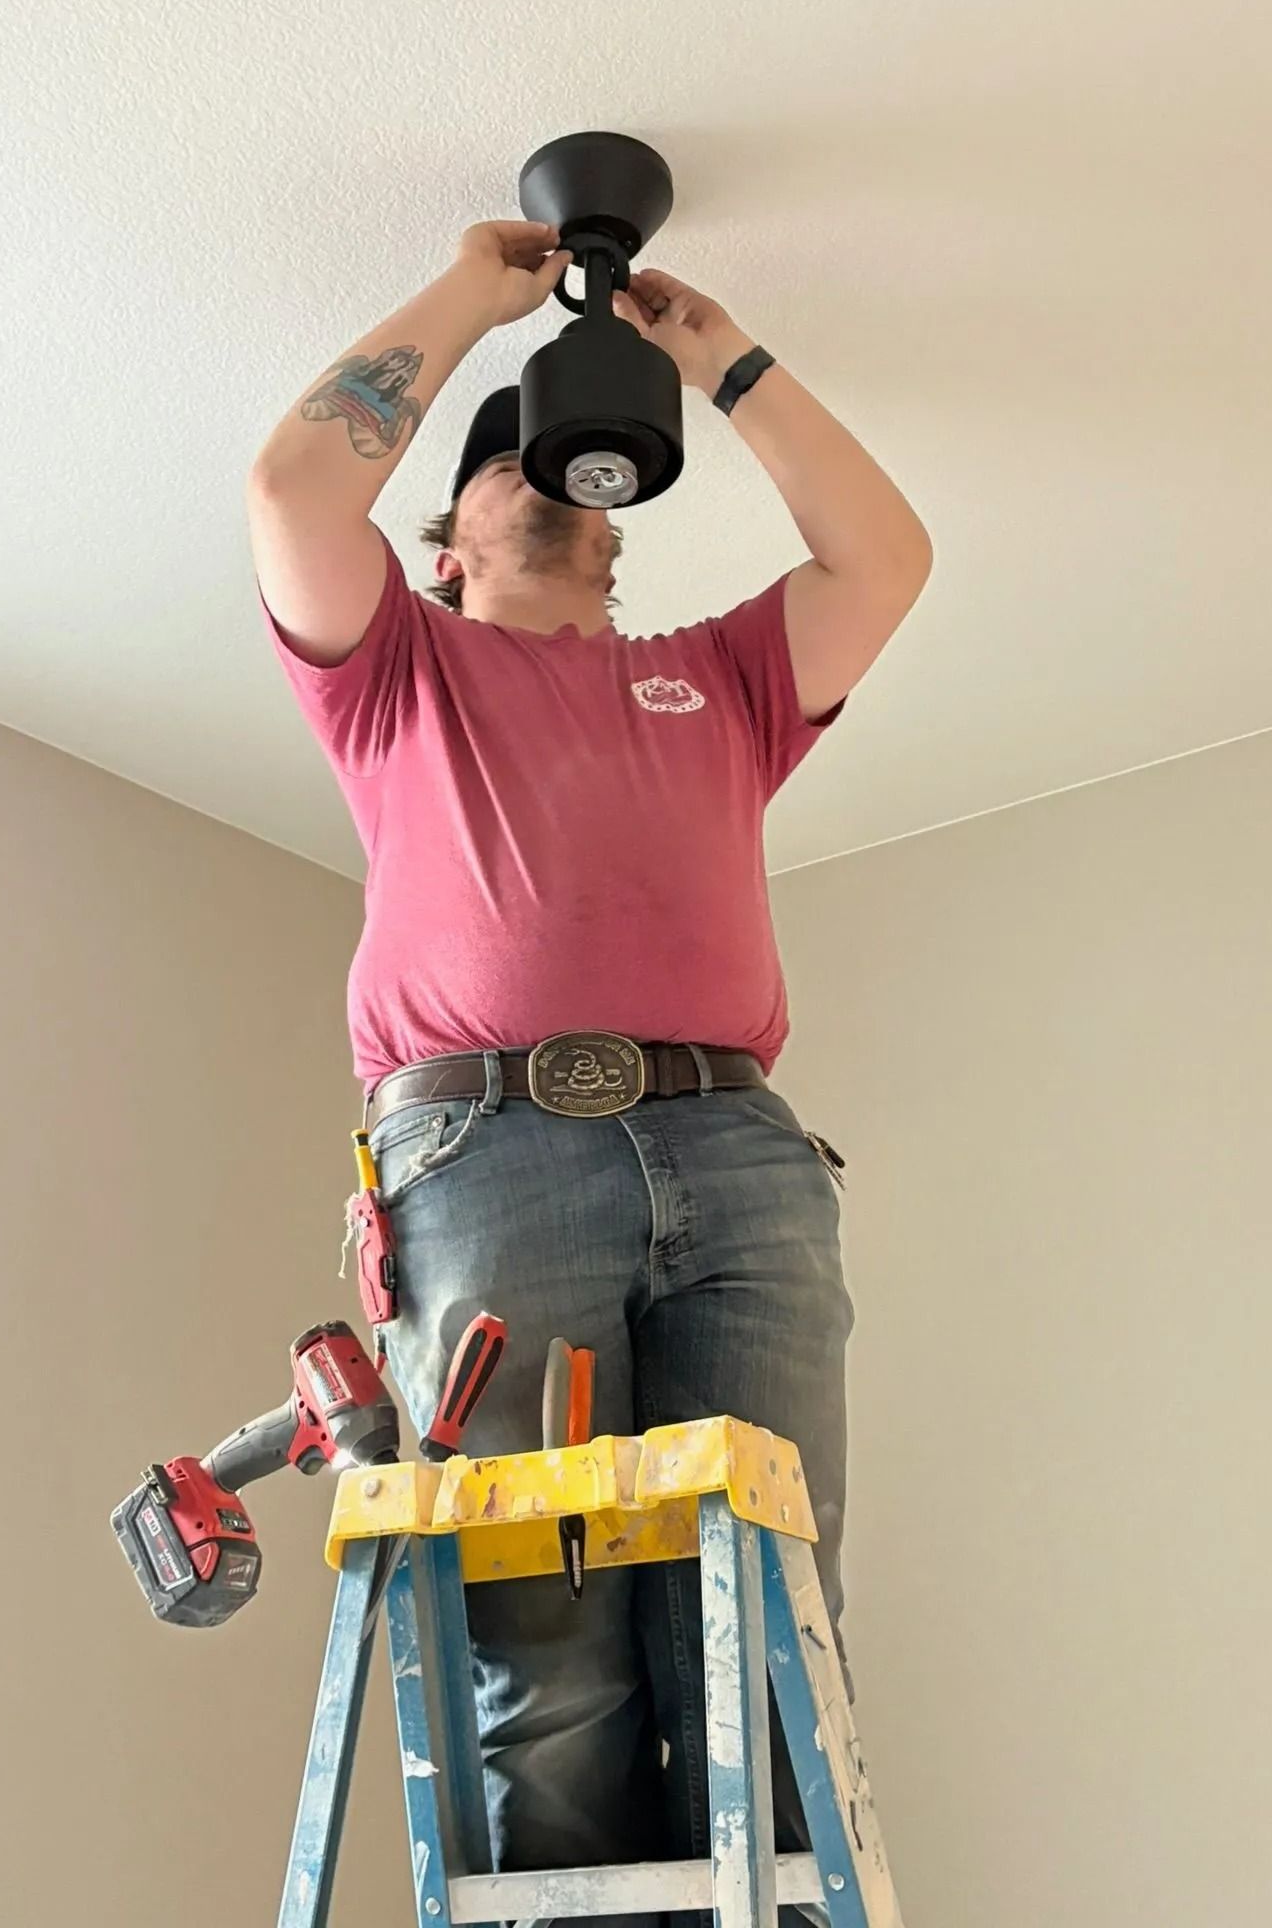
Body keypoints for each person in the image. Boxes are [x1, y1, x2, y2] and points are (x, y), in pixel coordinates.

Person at [247, 218, 932, 1923]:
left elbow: (885, 561)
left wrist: (722, 361)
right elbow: (290, 493)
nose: (544, 483)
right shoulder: (399, 670)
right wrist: (482, 306)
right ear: (447, 547)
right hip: (485, 1158)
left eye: (565, 468)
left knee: (766, 1633)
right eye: (499, 465)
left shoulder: (712, 679)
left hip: (741, 1158)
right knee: (544, 1670)